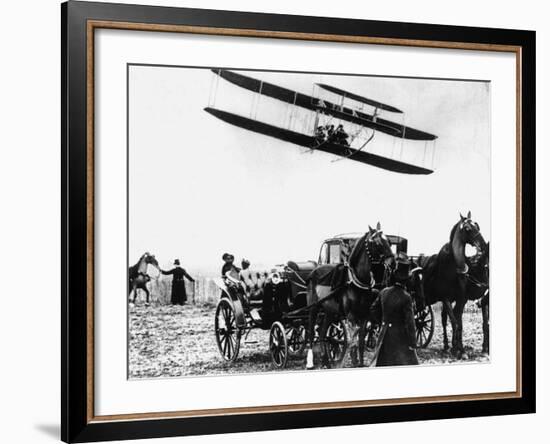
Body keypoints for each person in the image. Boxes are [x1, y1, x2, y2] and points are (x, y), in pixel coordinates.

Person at [369, 256, 419, 367]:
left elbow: (373, 310)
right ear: (406, 281)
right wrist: (412, 343)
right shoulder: (406, 297)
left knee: (381, 364)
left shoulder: (384, 292)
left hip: (383, 335)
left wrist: (382, 322)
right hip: (400, 339)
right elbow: (410, 322)